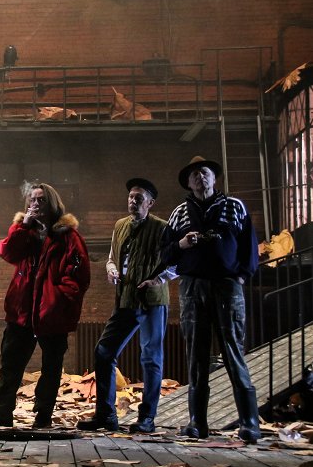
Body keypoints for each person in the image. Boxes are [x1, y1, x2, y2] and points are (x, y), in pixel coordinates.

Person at [161, 156, 261, 443]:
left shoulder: (235, 206)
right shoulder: (179, 213)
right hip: (192, 287)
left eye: (204, 172)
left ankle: (249, 422)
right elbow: (165, 252)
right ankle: (197, 422)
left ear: (214, 178)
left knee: (233, 350)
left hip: (226, 286)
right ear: (188, 182)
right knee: (196, 353)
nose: (200, 177)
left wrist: (241, 276)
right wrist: (181, 244)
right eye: (194, 174)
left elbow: (249, 246)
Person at [0, 182, 90, 429]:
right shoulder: (24, 231)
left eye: (41, 200)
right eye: (32, 200)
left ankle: (43, 416)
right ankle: (0, 414)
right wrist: (22, 226)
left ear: (52, 204)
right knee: (10, 365)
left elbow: (79, 275)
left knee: (51, 368)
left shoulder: (68, 236)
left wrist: (58, 299)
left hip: (52, 314)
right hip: (22, 312)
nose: (35, 204)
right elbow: (7, 252)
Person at [77, 178, 175, 433]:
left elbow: (177, 262)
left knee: (151, 358)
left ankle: (147, 418)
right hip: (126, 298)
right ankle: (106, 415)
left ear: (150, 203)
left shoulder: (162, 228)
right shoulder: (120, 225)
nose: (133, 201)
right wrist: (111, 270)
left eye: (139, 198)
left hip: (153, 301)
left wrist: (158, 280)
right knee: (104, 351)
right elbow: (112, 257)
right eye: (131, 197)